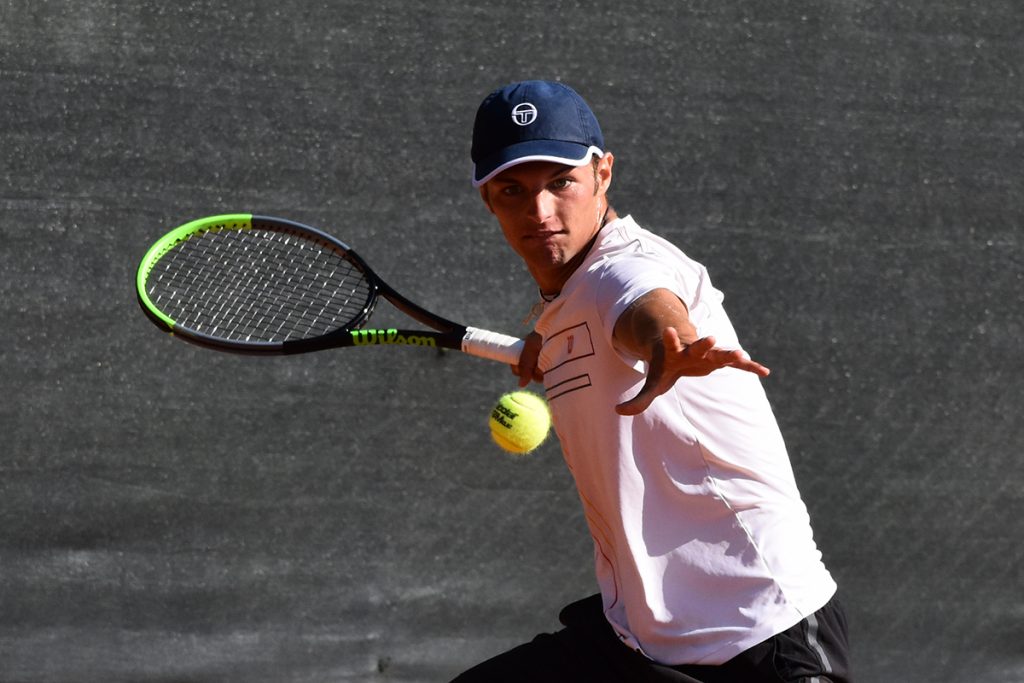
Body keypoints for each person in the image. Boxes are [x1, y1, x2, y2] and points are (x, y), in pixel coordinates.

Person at [452, 80, 851, 682]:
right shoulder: (566, 305)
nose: (540, 212)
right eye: (513, 190)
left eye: (561, 183)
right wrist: (554, 346)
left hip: (758, 638)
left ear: (602, 174)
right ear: (488, 199)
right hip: (639, 638)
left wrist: (672, 344)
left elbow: (645, 304)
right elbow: (589, 319)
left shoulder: (627, 265)